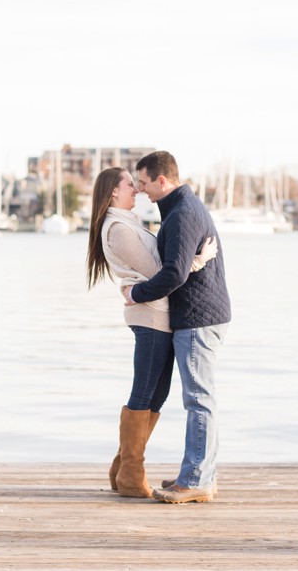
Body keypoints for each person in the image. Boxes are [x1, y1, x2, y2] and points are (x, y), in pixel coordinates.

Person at [86, 167, 217, 498]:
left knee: (155, 395)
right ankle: (131, 472)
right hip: (149, 318)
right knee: (144, 393)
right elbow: (160, 272)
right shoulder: (117, 228)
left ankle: (123, 466)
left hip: (158, 316)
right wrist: (199, 259)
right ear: (114, 192)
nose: (137, 190)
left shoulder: (128, 223)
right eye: (130, 185)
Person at [123, 151, 231, 504]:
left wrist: (136, 293)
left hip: (198, 318)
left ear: (162, 181)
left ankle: (196, 479)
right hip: (198, 315)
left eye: (143, 182)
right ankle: (201, 474)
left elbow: (174, 273)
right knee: (200, 397)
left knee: (199, 398)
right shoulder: (181, 208)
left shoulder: (182, 213)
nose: (141, 190)